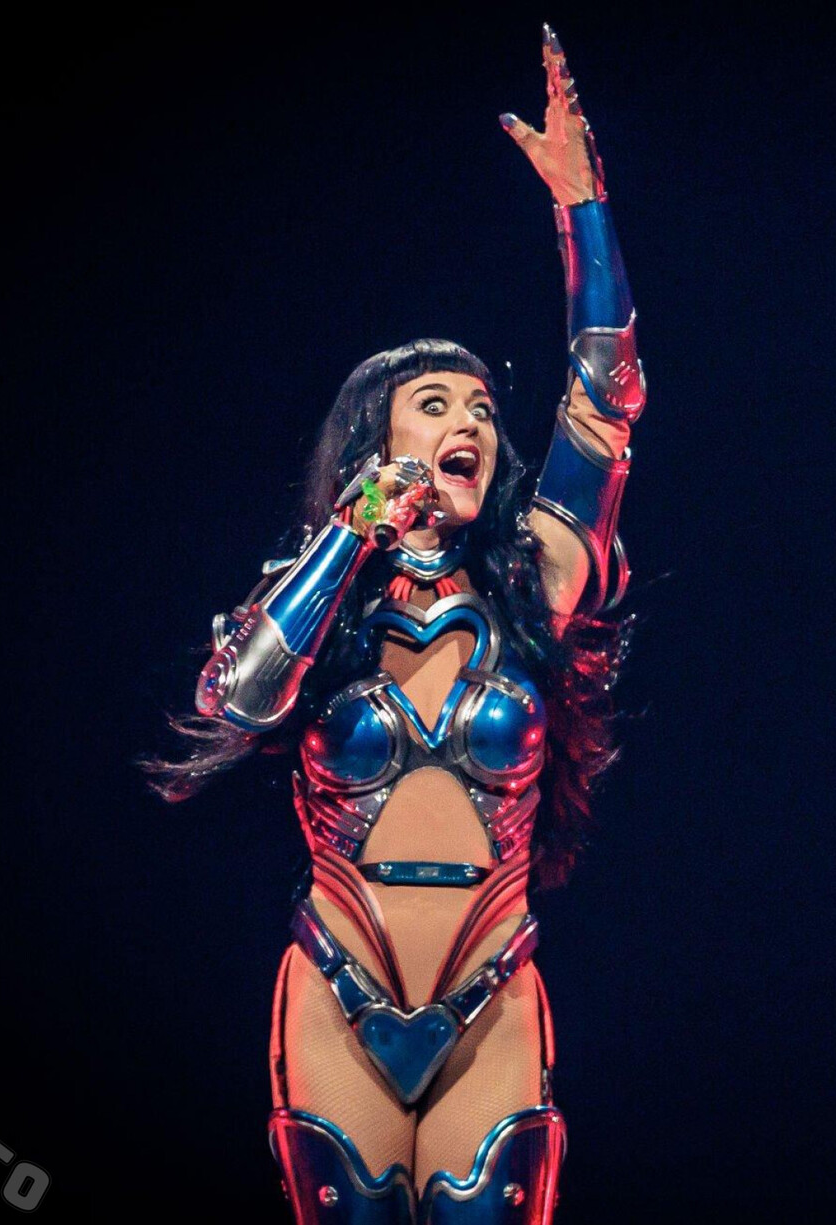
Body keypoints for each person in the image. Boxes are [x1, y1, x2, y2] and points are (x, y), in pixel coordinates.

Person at [145, 26, 642, 1223]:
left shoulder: (534, 578)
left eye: (482, 409)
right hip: (339, 985)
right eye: (436, 404)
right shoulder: (318, 591)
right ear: (378, 437)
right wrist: (349, 535)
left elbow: (604, 397)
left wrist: (584, 210)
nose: (470, 422)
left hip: (488, 992)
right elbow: (239, 696)